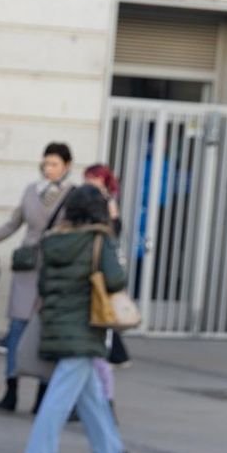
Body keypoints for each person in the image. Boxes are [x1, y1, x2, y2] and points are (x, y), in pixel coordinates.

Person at [19, 185, 129, 453]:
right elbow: (116, 280)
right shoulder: (99, 239)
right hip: (83, 326)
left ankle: (110, 451)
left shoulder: (53, 239)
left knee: (90, 391)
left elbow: (42, 286)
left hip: (55, 323)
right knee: (59, 397)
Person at [0, 142, 75, 412]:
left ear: (67, 166)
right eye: (46, 163)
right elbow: (13, 224)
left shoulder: (73, 195)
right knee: (16, 331)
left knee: (45, 333)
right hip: (27, 270)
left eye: (55, 164)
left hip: (55, 271)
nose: (49, 169)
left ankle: (42, 395)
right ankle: (10, 390)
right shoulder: (31, 191)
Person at [83, 163, 130, 396]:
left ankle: (107, 399)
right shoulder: (83, 200)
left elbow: (113, 231)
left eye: (94, 178)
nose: (90, 181)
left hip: (102, 274)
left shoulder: (108, 203)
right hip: (93, 273)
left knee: (101, 346)